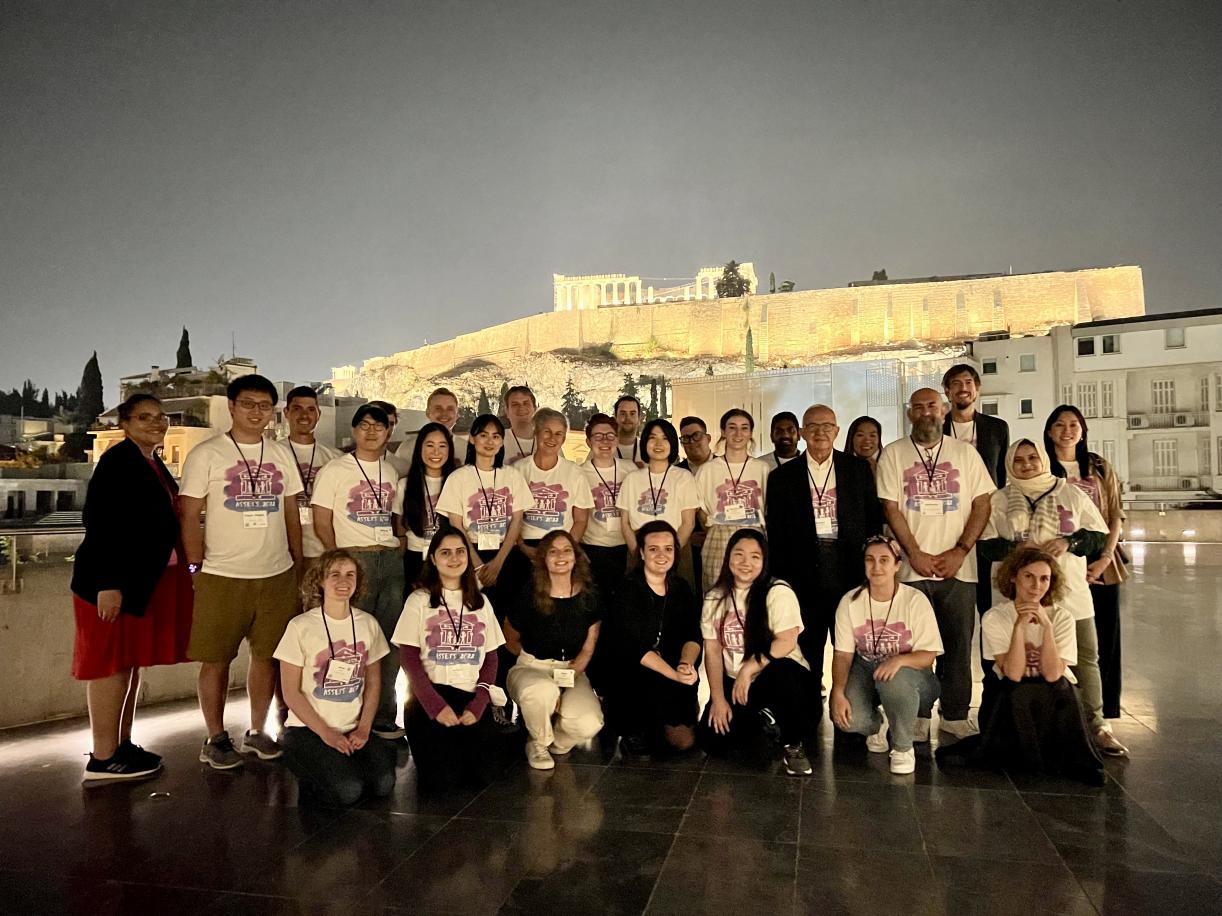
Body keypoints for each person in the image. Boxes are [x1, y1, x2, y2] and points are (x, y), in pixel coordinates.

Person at [180, 374, 304, 769]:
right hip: (222, 574)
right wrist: (196, 567)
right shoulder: (208, 454)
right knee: (215, 659)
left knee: (267, 657)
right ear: (231, 407)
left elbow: (290, 514)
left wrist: (298, 564)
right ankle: (215, 737)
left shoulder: (281, 453)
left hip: (276, 573)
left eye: (264, 405)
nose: (256, 412)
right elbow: (188, 515)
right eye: (248, 404)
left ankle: (256, 730)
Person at [71, 394, 193, 781]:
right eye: (144, 417)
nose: (156, 423)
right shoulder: (117, 462)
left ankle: (121, 744)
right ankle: (104, 757)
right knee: (109, 666)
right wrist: (108, 584)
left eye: (160, 417)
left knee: (128, 663)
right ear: (124, 423)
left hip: (139, 583)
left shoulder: (150, 460)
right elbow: (101, 522)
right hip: (109, 585)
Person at [976, 438, 1123, 756]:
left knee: (1085, 658)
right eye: (1019, 460)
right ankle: (1013, 722)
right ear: (1009, 465)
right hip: (1018, 592)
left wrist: (1068, 542)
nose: (1027, 464)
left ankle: (1097, 725)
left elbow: (1097, 536)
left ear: (1043, 459)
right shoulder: (999, 499)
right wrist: (1016, 549)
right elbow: (985, 544)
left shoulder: (1070, 493)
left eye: (1032, 458)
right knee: (1015, 653)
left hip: (1067, 590)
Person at [876, 387, 994, 739]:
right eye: (919, 407)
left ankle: (956, 714)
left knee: (958, 644)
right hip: (911, 570)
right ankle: (917, 714)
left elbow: (982, 504)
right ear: (909, 413)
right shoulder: (893, 454)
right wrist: (914, 553)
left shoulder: (966, 454)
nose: (926, 412)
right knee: (911, 647)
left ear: (943, 411)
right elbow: (891, 508)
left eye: (932, 406)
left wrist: (960, 550)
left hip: (960, 568)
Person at [940, 547, 1105, 785]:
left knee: (1061, 688)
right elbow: (1013, 673)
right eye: (1029, 576)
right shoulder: (995, 617)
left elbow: (1052, 673)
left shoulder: (1063, 618)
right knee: (1017, 690)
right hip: (1013, 687)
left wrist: (1047, 628)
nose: (1036, 585)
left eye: (1044, 579)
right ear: (1013, 577)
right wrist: (1019, 628)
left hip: (1052, 688)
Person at [766, 404, 882, 691]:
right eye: (813, 427)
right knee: (807, 647)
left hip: (849, 571)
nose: (820, 432)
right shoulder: (782, 477)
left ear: (837, 431)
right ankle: (807, 716)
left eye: (827, 426)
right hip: (803, 573)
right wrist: (781, 582)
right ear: (802, 432)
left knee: (852, 645)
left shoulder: (857, 470)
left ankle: (852, 710)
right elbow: (777, 534)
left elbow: (872, 523)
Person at [311, 404, 406, 739]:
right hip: (355, 561)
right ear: (354, 431)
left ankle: (383, 715)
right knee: (350, 641)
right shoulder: (336, 470)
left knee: (389, 641)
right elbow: (321, 520)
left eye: (378, 426)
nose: (370, 431)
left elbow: (395, 519)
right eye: (363, 425)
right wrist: (339, 564)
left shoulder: (391, 471)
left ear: (388, 431)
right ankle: (345, 714)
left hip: (390, 561)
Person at [274, 550, 397, 805]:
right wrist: (327, 734)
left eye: (350, 574)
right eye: (335, 574)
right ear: (320, 580)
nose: (343, 581)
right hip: (308, 730)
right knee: (348, 791)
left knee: (383, 784)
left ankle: (341, 766)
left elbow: (374, 682)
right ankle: (314, 769)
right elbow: (291, 693)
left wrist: (364, 727)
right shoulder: (300, 626)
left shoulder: (368, 624)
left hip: (352, 727)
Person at [1045, 405, 1131, 754]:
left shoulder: (1097, 467)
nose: (1068, 431)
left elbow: (1114, 514)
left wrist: (1105, 557)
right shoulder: (1040, 467)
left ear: (1082, 431)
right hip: (1060, 571)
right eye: (1060, 425)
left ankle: (1101, 719)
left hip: (1100, 565)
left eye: (1074, 425)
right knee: (1060, 643)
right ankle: (1063, 716)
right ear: (1049, 431)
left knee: (1100, 645)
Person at [393, 528, 504, 791]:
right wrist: (435, 706)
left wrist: (479, 703)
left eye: (460, 552)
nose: (454, 559)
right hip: (430, 697)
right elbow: (409, 659)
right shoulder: (418, 601)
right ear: (433, 559)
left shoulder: (481, 602)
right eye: (445, 553)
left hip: (470, 696)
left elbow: (491, 658)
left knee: (485, 776)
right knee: (444, 782)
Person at [700, 529, 815, 776]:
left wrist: (749, 668)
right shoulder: (715, 597)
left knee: (782, 672)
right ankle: (763, 723)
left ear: (764, 561)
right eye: (739, 554)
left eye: (755, 556)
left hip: (777, 677)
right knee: (711, 740)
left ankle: (792, 743)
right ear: (728, 557)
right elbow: (712, 650)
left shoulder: (778, 591)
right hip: (738, 684)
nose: (746, 562)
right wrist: (718, 699)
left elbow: (786, 641)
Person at [829, 537, 942, 775]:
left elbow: (929, 655)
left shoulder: (915, 601)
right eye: (870, 560)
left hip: (912, 675)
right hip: (866, 667)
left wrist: (899, 660)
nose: (877, 567)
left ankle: (902, 747)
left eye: (884, 560)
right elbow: (842, 655)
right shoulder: (850, 601)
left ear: (897, 565)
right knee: (849, 720)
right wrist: (837, 691)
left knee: (895, 679)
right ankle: (878, 724)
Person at [505, 530, 604, 770]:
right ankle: (537, 743)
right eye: (553, 551)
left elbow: (589, 646)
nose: (561, 556)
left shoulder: (589, 594)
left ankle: (555, 742)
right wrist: (531, 662)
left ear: (576, 556)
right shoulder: (529, 592)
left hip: (572, 669)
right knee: (541, 690)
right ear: (543, 559)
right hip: (531, 667)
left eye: (567, 550)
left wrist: (567, 679)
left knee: (589, 722)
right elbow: (509, 635)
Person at [604, 521, 702, 757]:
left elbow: (693, 635)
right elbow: (632, 648)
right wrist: (673, 674)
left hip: (671, 668)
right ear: (641, 552)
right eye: (653, 549)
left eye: (668, 549)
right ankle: (631, 727)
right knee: (647, 745)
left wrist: (686, 665)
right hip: (636, 671)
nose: (661, 555)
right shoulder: (627, 589)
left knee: (684, 743)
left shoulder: (681, 588)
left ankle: (658, 725)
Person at [436, 413, 531, 602]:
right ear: (472, 438)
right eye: (483, 435)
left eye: (496, 436)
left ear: (502, 442)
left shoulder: (512, 476)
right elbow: (456, 524)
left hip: (506, 555)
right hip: (470, 554)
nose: (490, 441)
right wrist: (478, 565)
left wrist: (498, 562)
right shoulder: (458, 477)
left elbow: (517, 520)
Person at [942, 364, 1010, 627]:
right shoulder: (938, 427)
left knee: (988, 601)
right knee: (953, 597)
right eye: (956, 383)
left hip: (986, 520)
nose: (963, 388)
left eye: (969, 382)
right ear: (947, 391)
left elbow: (1001, 477)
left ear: (977, 389)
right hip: (949, 519)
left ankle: (990, 667)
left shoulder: (997, 428)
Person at [694, 408, 770, 591]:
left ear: (751, 433)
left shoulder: (762, 468)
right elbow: (699, 507)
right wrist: (713, 527)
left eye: (744, 428)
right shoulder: (708, 469)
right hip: (718, 537)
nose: (738, 433)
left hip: (754, 536)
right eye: (732, 427)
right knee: (717, 596)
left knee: (753, 597)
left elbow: (768, 508)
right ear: (723, 431)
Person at [616, 418, 700, 554]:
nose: (658, 443)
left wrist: (671, 553)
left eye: (665, 438)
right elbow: (625, 523)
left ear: (672, 443)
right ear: (644, 443)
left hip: (676, 547)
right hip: (639, 547)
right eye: (652, 438)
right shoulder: (632, 479)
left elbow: (688, 523)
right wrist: (638, 552)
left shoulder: (683, 477)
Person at [578, 412, 636, 599]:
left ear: (617, 440)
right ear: (589, 442)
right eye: (598, 436)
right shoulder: (579, 473)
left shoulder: (630, 469)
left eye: (610, 436)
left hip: (627, 548)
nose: (605, 441)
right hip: (593, 550)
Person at [282, 386, 341, 565]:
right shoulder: (273, 453)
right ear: (286, 412)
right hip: (283, 553)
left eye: (310, 409)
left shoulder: (335, 457)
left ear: (318, 413)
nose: (304, 415)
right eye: (297, 408)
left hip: (324, 552)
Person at [398, 421, 458, 590]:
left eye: (442, 446)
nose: (436, 452)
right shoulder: (404, 485)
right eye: (430, 445)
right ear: (419, 448)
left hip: (449, 556)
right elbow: (400, 523)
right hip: (416, 556)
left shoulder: (457, 482)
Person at [395, 387, 468, 468]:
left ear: (457, 414)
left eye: (450, 409)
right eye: (438, 408)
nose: (444, 413)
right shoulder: (407, 448)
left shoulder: (466, 449)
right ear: (428, 413)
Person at [503, 385, 537, 466]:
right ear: (507, 411)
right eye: (515, 404)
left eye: (526, 403)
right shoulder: (495, 441)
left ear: (535, 409)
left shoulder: (549, 440)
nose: (521, 407)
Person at [614, 395, 645, 466]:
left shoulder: (649, 450)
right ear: (615, 419)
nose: (628, 418)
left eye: (632, 413)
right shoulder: (601, 449)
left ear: (639, 419)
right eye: (623, 413)